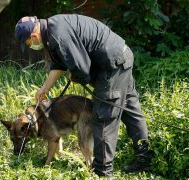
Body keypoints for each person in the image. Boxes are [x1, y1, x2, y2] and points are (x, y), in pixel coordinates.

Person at [14, 15, 153, 176]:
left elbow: (82, 70)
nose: (31, 46)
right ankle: (145, 159)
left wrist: (76, 76)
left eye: (28, 43)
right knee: (130, 112)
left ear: (33, 36)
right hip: (120, 57)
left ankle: (102, 172)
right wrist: (45, 88)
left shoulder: (58, 36)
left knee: (103, 118)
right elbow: (59, 62)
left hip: (111, 66)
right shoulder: (52, 29)